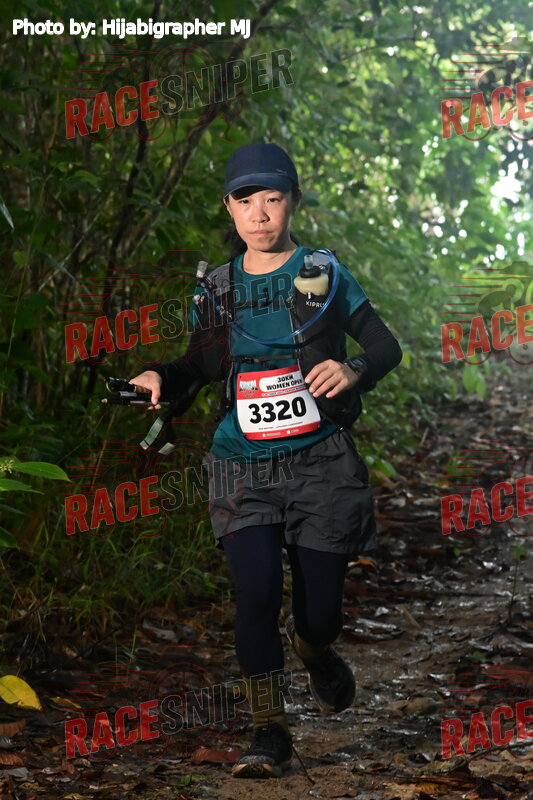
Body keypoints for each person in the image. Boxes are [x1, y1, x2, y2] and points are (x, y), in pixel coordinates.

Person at [129, 143, 402, 779]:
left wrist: (353, 368)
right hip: (241, 463)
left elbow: (384, 346)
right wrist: (160, 376)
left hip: (320, 462)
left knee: (319, 615)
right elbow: (200, 366)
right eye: (245, 200)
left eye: (272, 199)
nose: (259, 213)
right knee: (254, 594)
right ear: (229, 208)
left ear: (292, 203)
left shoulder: (321, 273)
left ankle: (314, 649)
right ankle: (268, 730)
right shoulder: (218, 288)